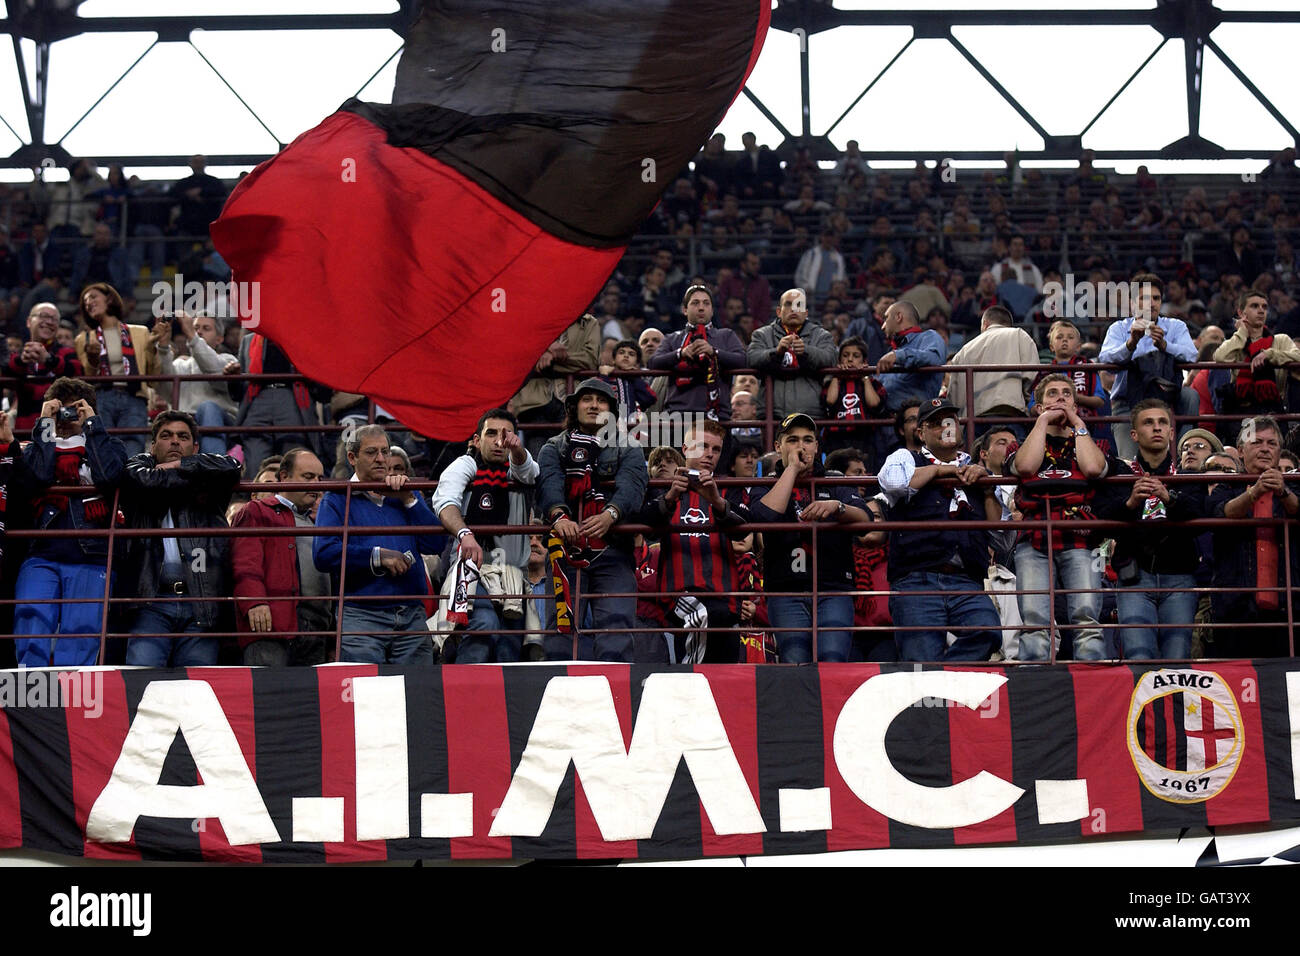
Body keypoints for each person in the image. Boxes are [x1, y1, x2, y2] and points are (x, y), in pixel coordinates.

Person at [8, 378, 127, 667]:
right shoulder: (35, 446)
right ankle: (30, 692)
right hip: (42, 553)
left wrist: (92, 426)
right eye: (60, 410)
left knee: (82, 630)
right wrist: (45, 424)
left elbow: (110, 477)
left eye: (74, 410)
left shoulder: (108, 444)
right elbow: (36, 477)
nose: (66, 417)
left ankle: (71, 700)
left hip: (92, 554)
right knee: (31, 617)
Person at [878, 398, 1002, 662]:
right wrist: (939, 470)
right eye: (935, 423)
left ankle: (940, 678)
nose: (944, 427)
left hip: (967, 579)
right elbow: (894, 483)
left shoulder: (974, 470)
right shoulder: (905, 457)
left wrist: (988, 488)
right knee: (920, 660)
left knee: (988, 631)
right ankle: (934, 686)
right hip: (916, 580)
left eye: (950, 421)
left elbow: (999, 532)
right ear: (920, 433)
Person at [538, 378, 648, 661]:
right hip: (565, 551)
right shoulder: (554, 446)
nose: (594, 405)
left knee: (617, 632)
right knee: (561, 635)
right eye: (587, 400)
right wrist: (559, 516)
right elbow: (548, 482)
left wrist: (611, 514)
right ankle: (560, 697)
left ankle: (616, 697)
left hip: (613, 551)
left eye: (601, 401)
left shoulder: (628, 446)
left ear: (611, 411)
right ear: (575, 407)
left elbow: (633, 486)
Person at [120, 410, 242, 667]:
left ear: (195, 446)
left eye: (183, 436)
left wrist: (179, 465)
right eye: (166, 435)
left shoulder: (210, 476)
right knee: (141, 683)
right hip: (150, 602)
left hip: (200, 602)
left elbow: (232, 466)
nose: (175, 441)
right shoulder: (137, 470)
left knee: (196, 691)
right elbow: (136, 475)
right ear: (153, 445)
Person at [312, 424, 439, 664]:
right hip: (361, 617)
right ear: (352, 457)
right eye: (371, 452)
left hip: (412, 613)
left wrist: (410, 500)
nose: (381, 459)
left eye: (385, 451)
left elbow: (435, 543)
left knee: (417, 694)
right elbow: (323, 553)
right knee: (366, 695)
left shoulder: (407, 494)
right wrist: (377, 556)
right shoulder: (337, 498)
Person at [749, 412, 870, 663]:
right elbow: (764, 518)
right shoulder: (764, 483)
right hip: (785, 591)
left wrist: (839, 507)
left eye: (807, 440)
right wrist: (792, 469)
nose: (800, 446)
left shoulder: (835, 481)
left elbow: (867, 521)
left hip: (833, 588)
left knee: (832, 661)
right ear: (778, 446)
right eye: (792, 440)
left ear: (816, 446)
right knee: (795, 665)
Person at [1009, 374, 1112, 662]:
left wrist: (1078, 425)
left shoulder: (1092, 444)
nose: (1061, 399)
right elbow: (1027, 467)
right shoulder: (1020, 444)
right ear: (1039, 406)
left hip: (1081, 540)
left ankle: (1091, 689)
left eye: (1067, 394)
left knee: (1087, 617)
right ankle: (1034, 688)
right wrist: (1042, 422)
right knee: (1034, 620)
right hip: (1033, 538)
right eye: (1052, 394)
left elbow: (1092, 469)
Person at [431, 408, 539, 663]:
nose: (499, 440)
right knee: (484, 623)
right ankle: (463, 697)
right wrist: (465, 534)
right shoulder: (465, 464)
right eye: (491, 433)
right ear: (477, 440)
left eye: (506, 434)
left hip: (514, 575)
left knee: (508, 648)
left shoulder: (519, 466)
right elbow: (445, 501)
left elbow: (530, 472)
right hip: (471, 571)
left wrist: (518, 451)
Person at [637, 420, 749, 663]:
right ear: (686, 449)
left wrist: (717, 502)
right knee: (703, 616)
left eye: (716, 449)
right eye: (702, 446)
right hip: (680, 593)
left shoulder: (730, 487)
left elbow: (743, 531)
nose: (709, 454)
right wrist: (669, 498)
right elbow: (647, 528)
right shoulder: (661, 485)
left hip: (724, 594)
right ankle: (688, 683)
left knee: (725, 666)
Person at [1105, 399, 1203, 660]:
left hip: (1180, 574)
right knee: (1138, 658)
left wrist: (1169, 498)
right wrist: (1130, 502)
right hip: (1134, 577)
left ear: (1172, 433)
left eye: (1162, 423)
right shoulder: (1119, 474)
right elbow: (1104, 518)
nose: (1156, 428)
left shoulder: (1189, 475)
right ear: (1134, 434)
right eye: (1148, 422)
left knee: (1177, 659)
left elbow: (1197, 515)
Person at [1206, 415, 1299, 658]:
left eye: (1272, 443)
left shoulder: (1294, 484)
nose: (1266, 449)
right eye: (1257, 442)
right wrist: (1255, 491)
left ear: (1280, 450)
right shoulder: (1225, 485)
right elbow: (1221, 512)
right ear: (1240, 450)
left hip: (1289, 610)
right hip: (1235, 610)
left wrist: (1283, 491)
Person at [231, 447, 332, 666]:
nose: (316, 484)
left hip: (316, 630)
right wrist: (254, 602)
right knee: (268, 697)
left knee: (312, 699)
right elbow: (245, 564)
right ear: (284, 477)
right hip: (270, 627)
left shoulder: (319, 521)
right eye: (308, 477)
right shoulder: (256, 511)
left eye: (319, 478)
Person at [1097, 273, 1198, 460]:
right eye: (1144, 298)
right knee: (1129, 464)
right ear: (1132, 303)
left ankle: (1184, 451)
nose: (1151, 303)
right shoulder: (1119, 328)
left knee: (1190, 395)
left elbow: (1192, 355)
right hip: (1127, 401)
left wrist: (1166, 346)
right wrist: (1131, 343)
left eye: (1156, 298)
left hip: (1167, 398)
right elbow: (1106, 362)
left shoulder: (1175, 327)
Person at [73, 282, 161, 457]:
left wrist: (155, 347)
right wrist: (92, 358)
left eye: (92, 297)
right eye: (85, 302)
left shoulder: (140, 332)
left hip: (134, 398)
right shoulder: (84, 338)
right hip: (102, 398)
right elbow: (88, 377)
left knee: (133, 450)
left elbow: (153, 377)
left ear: (110, 298)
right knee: (103, 448)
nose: (88, 303)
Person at [233, 330, 327, 477]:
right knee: (254, 462)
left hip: (292, 400)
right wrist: (232, 377)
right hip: (257, 402)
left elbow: (323, 391)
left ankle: (294, 499)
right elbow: (238, 393)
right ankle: (257, 498)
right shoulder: (248, 341)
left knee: (295, 460)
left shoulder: (306, 338)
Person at [1212, 289, 1300, 447]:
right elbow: (1220, 357)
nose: (1261, 310)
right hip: (1241, 409)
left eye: (1264, 307)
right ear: (1241, 312)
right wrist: (1241, 333)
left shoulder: (1280, 340)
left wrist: (1270, 355)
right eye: (1254, 306)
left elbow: (1298, 357)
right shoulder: (1237, 341)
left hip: (1272, 408)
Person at [648, 285, 747, 420]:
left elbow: (742, 360)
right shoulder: (672, 338)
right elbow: (653, 362)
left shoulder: (726, 335)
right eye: (695, 303)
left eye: (706, 303)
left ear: (712, 310)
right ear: (684, 310)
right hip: (678, 415)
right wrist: (680, 354)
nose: (701, 307)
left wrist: (714, 352)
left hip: (717, 415)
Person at [512, 312, 601, 455]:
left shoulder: (590, 322)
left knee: (572, 457)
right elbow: (518, 354)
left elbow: (590, 361)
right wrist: (545, 349)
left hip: (571, 400)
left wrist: (550, 358)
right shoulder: (528, 318)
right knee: (538, 458)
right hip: (534, 403)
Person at [944, 306, 1039, 438]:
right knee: (1012, 457)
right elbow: (1032, 377)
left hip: (974, 421)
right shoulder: (1019, 335)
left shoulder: (964, 350)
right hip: (1011, 414)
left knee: (976, 457)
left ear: (985, 324)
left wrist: (960, 429)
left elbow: (955, 396)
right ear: (1008, 324)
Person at [155, 311, 240, 455]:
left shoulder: (228, 360)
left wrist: (192, 336)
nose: (199, 332)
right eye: (195, 328)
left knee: (208, 408)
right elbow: (167, 392)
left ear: (219, 339)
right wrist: (163, 346)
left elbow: (211, 366)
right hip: (186, 426)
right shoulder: (181, 364)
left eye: (206, 329)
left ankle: (214, 468)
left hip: (222, 425)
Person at [746, 287, 838, 419]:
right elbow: (751, 359)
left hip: (811, 412)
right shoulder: (761, 334)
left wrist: (806, 351)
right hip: (772, 415)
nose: (794, 309)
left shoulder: (822, 335)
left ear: (806, 313)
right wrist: (776, 353)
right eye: (788, 304)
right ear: (779, 311)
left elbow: (831, 359)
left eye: (799, 305)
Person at [6, 302, 83, 435]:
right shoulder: (18, 356)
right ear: (29, 321)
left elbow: (77, 371)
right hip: (26, 427)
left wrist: (48, 359)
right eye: (43, 316)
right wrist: (23, 361)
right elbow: (6, 372)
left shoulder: (67, 353)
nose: (48, 322)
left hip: (61, 427)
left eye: (53, 319)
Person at [877, 300, 946, 415]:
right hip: (885, 421)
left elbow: (934, 358)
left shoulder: (928, 337)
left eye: (886, 318)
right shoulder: (891, 353)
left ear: (899, 317)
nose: (882, 327)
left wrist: (899, 355)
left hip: (916, 419)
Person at [822, 335, 883, 456]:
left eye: (856, 356)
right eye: (845, 355)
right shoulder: (833, 382)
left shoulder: (872, 383)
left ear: (864, 361)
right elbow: (830, 400)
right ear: (839, 360)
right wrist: (837, 376)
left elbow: (874, 403)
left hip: (864, 437)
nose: (850, 360)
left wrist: (865, 377)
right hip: (836, 437)